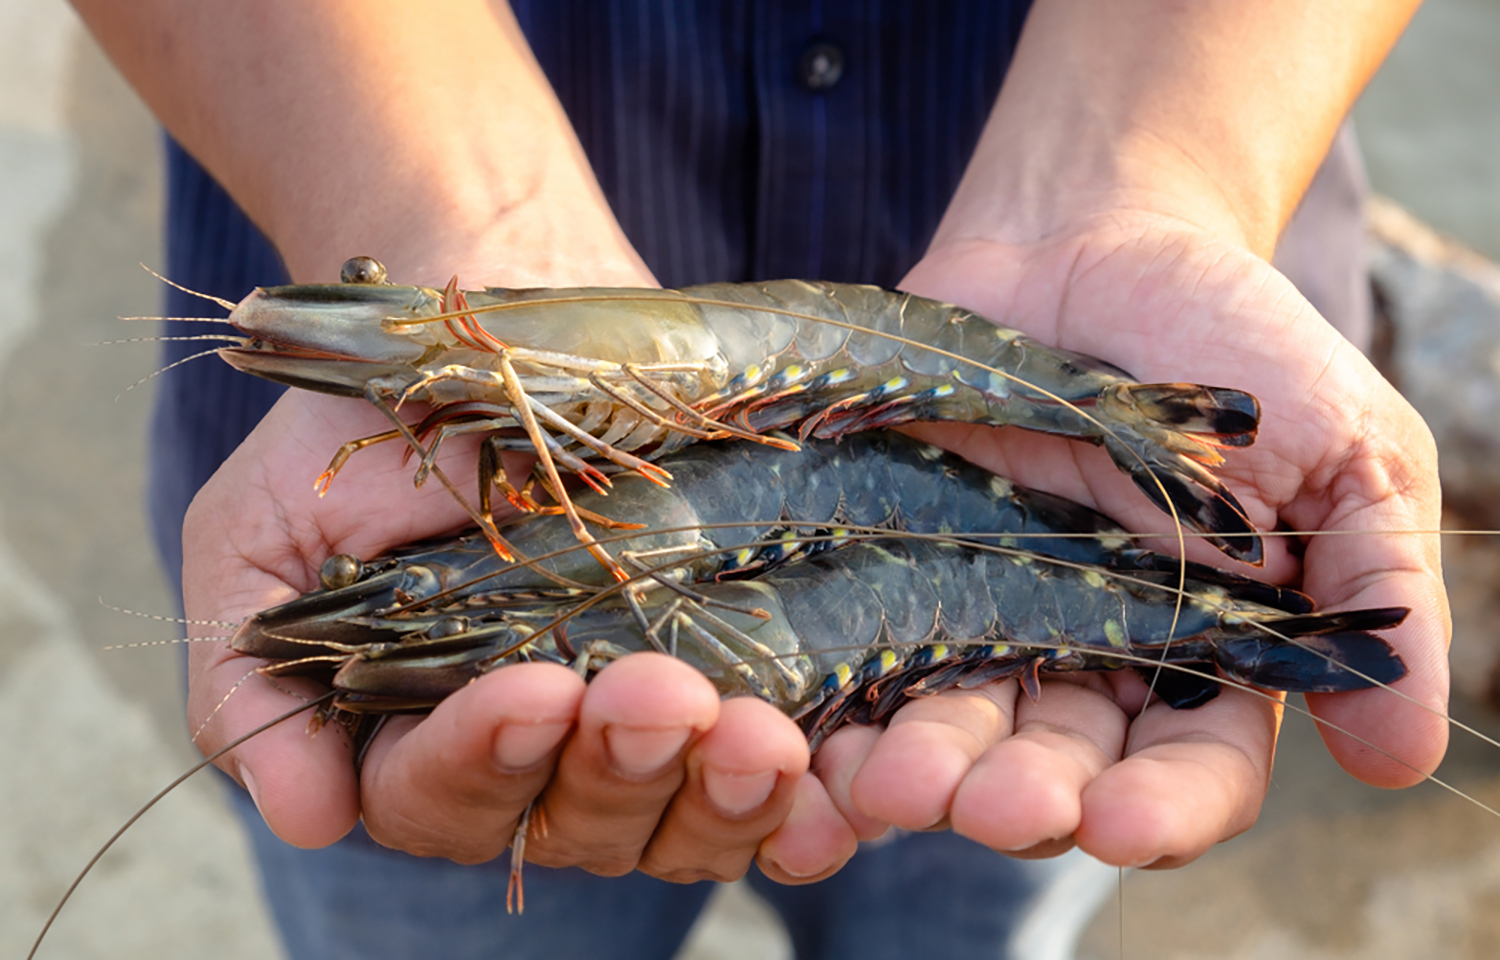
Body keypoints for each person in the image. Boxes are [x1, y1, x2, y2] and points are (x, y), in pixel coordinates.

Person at [74, 1, 1449, 957]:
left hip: (1013, 637)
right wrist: (435, 216)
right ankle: (1209, 621)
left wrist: (1157, 175)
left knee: (992, 877)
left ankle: (1206, 612)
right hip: (369, 167)